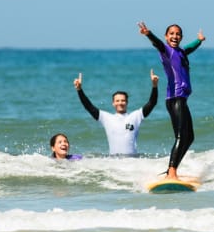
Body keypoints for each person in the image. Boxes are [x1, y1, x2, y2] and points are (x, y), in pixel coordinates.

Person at [138, 22, 206, 180]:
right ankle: (172, 172)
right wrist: (148, 34)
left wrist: (199, 40)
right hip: (175, 99)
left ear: (181, 37)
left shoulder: (181, 51)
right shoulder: (166, 50)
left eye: (178, 34)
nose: (175, 36)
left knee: (189, 138)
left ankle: (172, 170)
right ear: (166, 36)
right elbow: (158, 44)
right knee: (182, 136)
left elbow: (189, 48)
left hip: (182, 100)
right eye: (172, 34)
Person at [73, 70, 159, 156]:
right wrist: (79, 90)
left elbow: (152, 103)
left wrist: (154, 86)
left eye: (123, 100)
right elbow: (89, 107)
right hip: (114, 162)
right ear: (113, 103)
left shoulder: (136, 116)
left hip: (133, 161)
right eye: (117, 101)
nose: (120, 103)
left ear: (127, 102)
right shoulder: (106, 118)